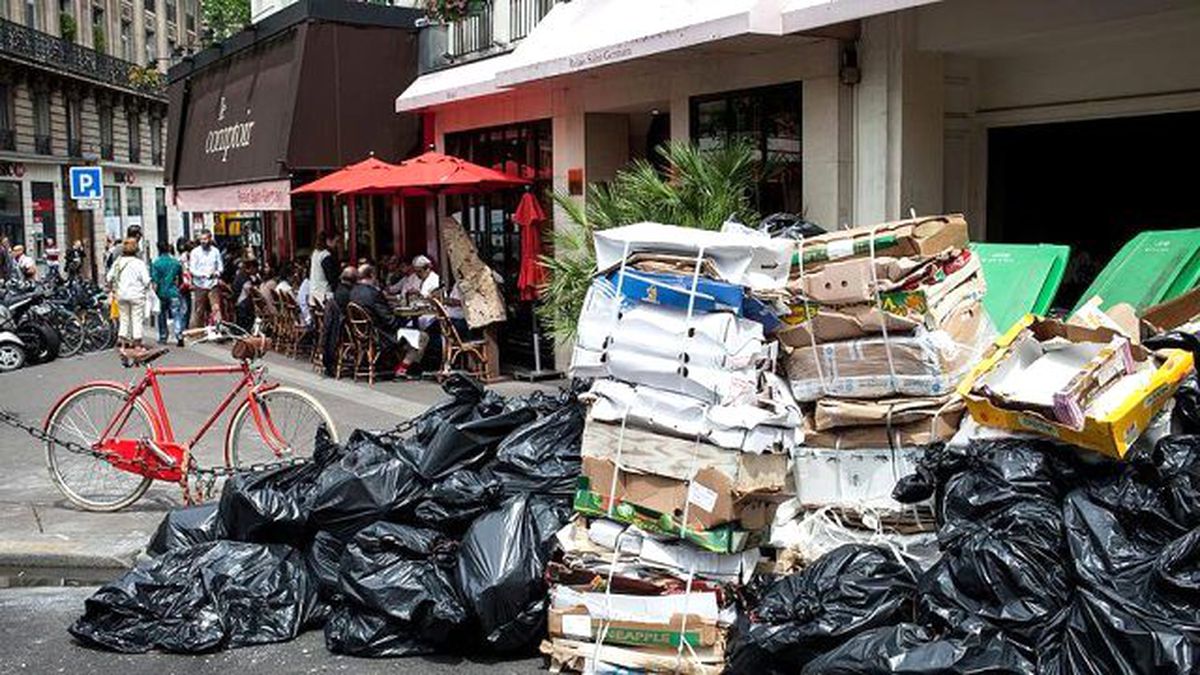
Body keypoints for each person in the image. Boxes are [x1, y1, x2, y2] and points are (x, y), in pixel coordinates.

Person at [348, 264, 420, 377]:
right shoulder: (373, 294)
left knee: (410, 333)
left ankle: (396, 363)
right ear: (372, 275)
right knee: (422, 337)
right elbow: (390, 320)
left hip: (363, 334)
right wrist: (404, 319)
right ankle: (404, 369)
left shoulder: (353, 291)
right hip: (381, 336)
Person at [106, 237, 152, 352]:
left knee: (124, 319)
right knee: (137, 319)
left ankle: (122, 343)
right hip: (136, 295)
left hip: (121, 294)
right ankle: (137, 344)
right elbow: (146, 280)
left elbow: (109, 277)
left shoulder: (118, 262)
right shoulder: (139, 263)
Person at [150, 241, 185, 347]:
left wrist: (153, 294)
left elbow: (155, 281)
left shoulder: (156, 263)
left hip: (161, 293)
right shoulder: (176, 263)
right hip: (174, 292)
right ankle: (179, 334)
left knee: (162, 315)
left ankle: (163, 336)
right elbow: (180, 279)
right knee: (177, 315)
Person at [188, 230, 223, 327]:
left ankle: (218, 329)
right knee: (199, 310)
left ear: (210, 239)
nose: (203, 241)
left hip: (213, 284)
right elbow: (192, 269)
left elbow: (220, 267)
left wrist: (216, 273)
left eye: (205, 239)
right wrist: (203, 275)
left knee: (216, 308)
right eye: (201, 239)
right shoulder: (195, 252)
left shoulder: (215, 251)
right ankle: (197, 331)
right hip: (200, 285)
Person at [232, 257, 261, 333]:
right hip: (243, 306)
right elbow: (251, 291)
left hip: (239, 304)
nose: (257, 270)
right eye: (256, 268)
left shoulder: (242, 275)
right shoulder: (244, 278)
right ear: (251, 268)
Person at [309, 234, 338, 302]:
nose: (337, 245)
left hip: (314, 292)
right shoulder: (325, 255)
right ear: (328, 241)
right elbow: (331, 277)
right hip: (324, 294)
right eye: (336, 241)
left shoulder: (315, 253)